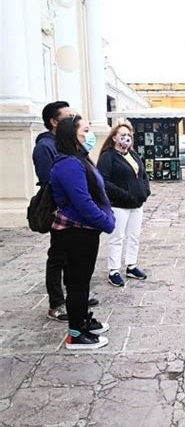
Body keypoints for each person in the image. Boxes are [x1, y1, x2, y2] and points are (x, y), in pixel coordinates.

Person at [50, 114, 115, 349]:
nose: (90, 135)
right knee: (77, 284)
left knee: (82, 282)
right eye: (85, 131)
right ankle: (75, 335)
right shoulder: (68, 164)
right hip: (75, 232)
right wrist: (106, 222)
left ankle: (83, 321)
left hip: (85, 231)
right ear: (72, 135)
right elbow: (83, 202)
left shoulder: (80, 159)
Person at [32, 101, 98, 323]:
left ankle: (75, 297)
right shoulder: (45, 147)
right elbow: (49, 181)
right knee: (58, 257)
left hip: (73, 213)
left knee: (72, 259)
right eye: (68, 117)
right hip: (59, 212)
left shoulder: (68, 146)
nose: (73, 120)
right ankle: (57, 303)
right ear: (53, 122)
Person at [97, 122, 151, 287]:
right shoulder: (108, 156)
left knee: (134, 236)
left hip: (137, 203)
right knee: (117, 237)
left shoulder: (133, 155)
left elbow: (142, 174)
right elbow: (103, 181)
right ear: (114, 138)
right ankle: (114, 270)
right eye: (122, 135)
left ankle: (131, 265)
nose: (126, 139)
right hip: (119, 204)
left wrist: (145, 191)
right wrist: (124, 194)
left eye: (128, 136)